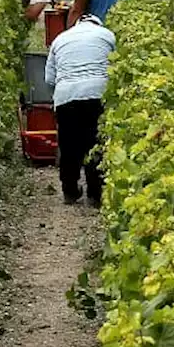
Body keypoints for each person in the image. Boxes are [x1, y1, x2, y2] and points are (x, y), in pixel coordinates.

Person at [45, 14, 115, 207]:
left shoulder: (60, 39)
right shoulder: (107, 35)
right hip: (97, 94)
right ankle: (95, 193)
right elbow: (117, 68)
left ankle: (70, 191)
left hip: (66, 96)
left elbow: (49, 79)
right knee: (95, 142)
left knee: (69, 145)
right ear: (97, 23)